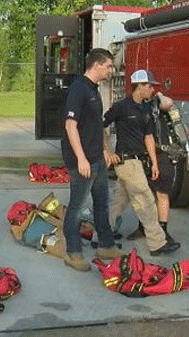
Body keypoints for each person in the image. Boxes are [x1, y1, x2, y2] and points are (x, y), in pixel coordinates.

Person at [104, 69, 180, 256]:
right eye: (149, 86)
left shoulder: (146, 109)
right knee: (146, 201)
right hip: (126, 161)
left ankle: (103, 235)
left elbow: (148, 137)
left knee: (118, 202)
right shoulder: (121, 107)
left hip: (140, 161)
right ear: (138, 86)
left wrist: (154, 163)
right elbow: (101, 126)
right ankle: (157, 243)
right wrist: (107, 151)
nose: (152, 90)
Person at [61, 48, 123, 271]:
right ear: (97, 65)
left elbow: (98, 126)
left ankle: (105, 245)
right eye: (108, 66)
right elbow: (70, 125)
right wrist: (81, 159)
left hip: (97, 158)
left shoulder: (94, 91)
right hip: (84, 162)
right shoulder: (78, 89)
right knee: (77, 208)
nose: (111, 70)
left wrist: (106, 149)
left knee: (102, 204)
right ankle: (73, 252)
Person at [126, 91, 180, 244]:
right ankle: (143, 227)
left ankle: (162, 230)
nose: (149, 88)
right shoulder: (133, 106)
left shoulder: (157, 104)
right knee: (144, 193)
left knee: (162, 193)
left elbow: (168, 103)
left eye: (150, 86)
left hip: (162, 154)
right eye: (146, 85)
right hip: (142, 153)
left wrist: (159, 95)